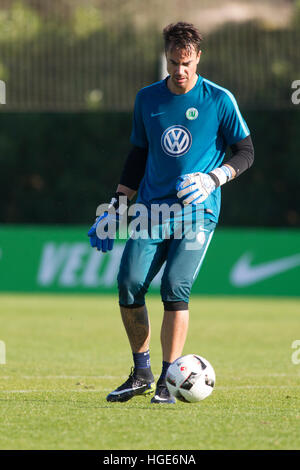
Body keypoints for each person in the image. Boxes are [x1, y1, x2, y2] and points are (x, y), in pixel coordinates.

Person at [88, 22, 254, 404]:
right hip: (151, 210)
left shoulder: (219, 99)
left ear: (198, 58)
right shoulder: (147, 99)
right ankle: (141, 372)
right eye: (173, 62)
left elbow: (246, 152)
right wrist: (116, 206)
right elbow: (138, 155)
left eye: (186, 63)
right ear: (166, 57)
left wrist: (214, 178)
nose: (179, 71)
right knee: (129, 284)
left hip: (198, 212)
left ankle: (168, 378)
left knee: (175, 287)